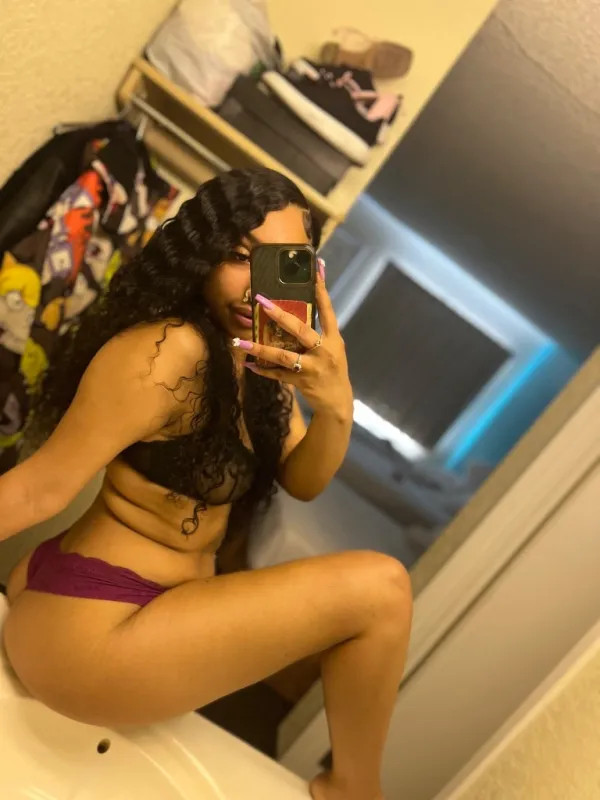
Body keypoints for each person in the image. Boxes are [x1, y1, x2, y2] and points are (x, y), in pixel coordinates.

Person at [0, 168, 412, 800]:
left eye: (280, 265)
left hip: (135, 611)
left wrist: (336, 404)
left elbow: (304, 480)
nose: (254, 285)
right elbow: (37, 490)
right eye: (239, 256)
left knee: (380, 591)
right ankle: (354, 792)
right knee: (382, 591)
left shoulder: (261, 363)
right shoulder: (166, 354)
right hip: (89, 624)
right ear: (201, 254)